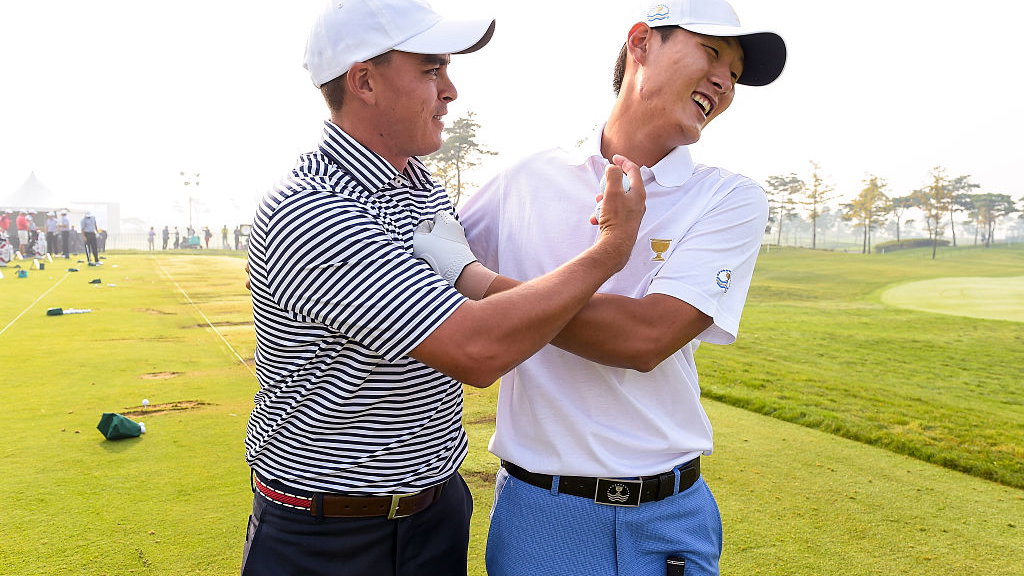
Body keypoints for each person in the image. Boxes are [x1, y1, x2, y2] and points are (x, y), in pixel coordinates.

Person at [241, 1, 647, 575]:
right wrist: (611, 248)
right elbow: (475, 350)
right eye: (432, 70)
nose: (450, 91)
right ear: (364, 81)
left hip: (435, 516)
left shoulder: (421, 187)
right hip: (328, 537)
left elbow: (471, 288)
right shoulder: (311, 207)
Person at [417, 1, 786, 574]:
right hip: (540, 513)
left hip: (668, 516)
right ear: (640, 43)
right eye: (712, 53)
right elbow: (427, 273)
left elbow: (645, 338)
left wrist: (478, 280)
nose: (724, 82)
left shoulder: (728, 198)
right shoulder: (523, 181)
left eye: (735, 74)